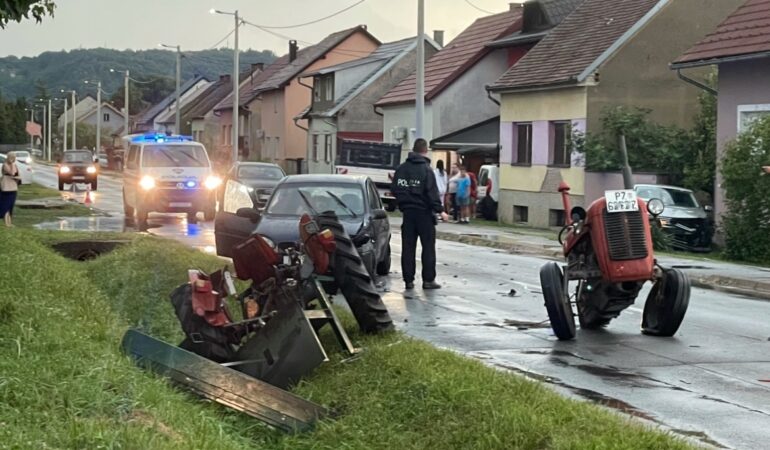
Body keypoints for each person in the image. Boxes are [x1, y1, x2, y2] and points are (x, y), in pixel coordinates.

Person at [391, 139, 448, 290]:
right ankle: (428, 280)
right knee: (428, 247)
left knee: (408, 248)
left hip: (408, 214)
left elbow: (395, 189)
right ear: (425, 150)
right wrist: (440, 209)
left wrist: (403, 202)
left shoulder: (401, 169)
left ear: (413, 149)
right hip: (424, 214)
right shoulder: (426, 170)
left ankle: (408, 280)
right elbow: (431, 192)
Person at [1, 152, 21, 227]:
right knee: (6, 205)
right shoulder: (5, 164)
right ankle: (7, 223)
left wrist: (17, 177)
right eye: (12, 158)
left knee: (11, 206)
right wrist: (12, 164)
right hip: (6, 188)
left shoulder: (15, 165)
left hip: (13, 187)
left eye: (14, 158)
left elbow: (18, 175)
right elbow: (12, 173)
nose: (13, 159)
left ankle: (10, 222)